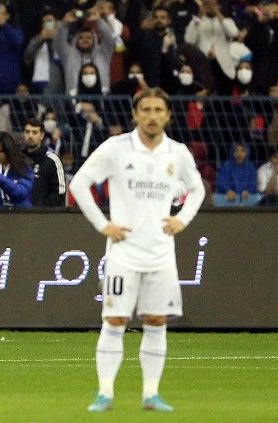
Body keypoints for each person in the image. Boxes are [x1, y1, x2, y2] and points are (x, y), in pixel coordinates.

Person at [68, 88, 205, 412]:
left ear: (168, 115)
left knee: (156, 321)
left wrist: (183, 219)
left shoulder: (177, 153)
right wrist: (104, 225)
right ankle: (105, 393)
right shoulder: (116, 149)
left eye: (159, 109)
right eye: (146, 109)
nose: (153, 115)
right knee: (114, 321)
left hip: (160, 254)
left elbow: (197, 188)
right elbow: (79, 184)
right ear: (135, 114)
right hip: (123, 253)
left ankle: (151, 394)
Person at [22, 118, 64, 207]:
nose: (30, 135)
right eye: (27, 132)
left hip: (43, 215)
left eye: (34, 132)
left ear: (42, 135)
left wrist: (41, 207)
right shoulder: (18, 157)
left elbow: (60, 192)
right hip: (20, 213)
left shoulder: (52, 159)